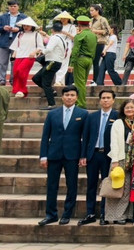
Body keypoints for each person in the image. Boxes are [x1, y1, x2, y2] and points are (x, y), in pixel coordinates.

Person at [38, 85, 88, 226]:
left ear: (76, 97)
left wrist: (83, 155)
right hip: (54, 154)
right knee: (52, 185)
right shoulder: (53, 114)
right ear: (62, 97)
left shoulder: (82, 114)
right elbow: (45, 136)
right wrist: (43, 156)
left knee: (71, 185)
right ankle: (51, 214)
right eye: (67, 95)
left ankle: (67, 214)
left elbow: (85, 137)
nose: (69, 97)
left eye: (72, 95)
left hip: (72, 155)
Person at [79, 89, 118, 226]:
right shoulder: (92, 116)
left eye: (108, 98)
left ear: (113, 100)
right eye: (103, 98)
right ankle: (90, 213)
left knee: (106, 185)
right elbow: (86, 137)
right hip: (93, 154)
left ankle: (104, 213)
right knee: (91, 184)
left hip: (108, 156)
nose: (106, 100)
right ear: (100, 100)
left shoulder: (117, 116)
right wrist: (83, 155)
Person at [106, 99, 134, 224]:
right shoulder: (118, 123)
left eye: (132, 107)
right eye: (127, 108)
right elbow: (114, 143)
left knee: (131, 189)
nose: (129, 110)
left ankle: (128, 214)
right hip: (120, 159)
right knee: (118, 188)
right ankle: (115, 216)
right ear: (123, 110)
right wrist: (114, 160)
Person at [32, 20, 68, 108]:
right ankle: (51, 92)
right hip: (55, 62)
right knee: (36, 78)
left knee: (46, 83)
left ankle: (51, 104)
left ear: (52, 30)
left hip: (52, 62)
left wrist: (40, 52)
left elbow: (49, 49)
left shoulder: (55, 38)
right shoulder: (62, 38)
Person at [9, 17, 44, 97]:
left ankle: (22, 90)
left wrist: (34, 52)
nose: (26, 27)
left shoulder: (36, 34)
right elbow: (16, 46)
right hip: (19, 56)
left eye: (28, 25)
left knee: (21, 71)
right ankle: (17, 90)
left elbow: (40, 47)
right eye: (24, 25)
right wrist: (13, 56)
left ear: (32, 26)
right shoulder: (20, 34)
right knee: (16, 72)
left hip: (29, 56)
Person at [68, 15, 96, 109]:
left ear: (79, 25)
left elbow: (75, 51)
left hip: (80, 59)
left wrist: (71, 64)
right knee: (83, 82)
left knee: (79, 83)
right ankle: (81, 102)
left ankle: (81, 104)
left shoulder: (79, 36)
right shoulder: (93, 35)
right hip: (90, 60)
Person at [0, 0, 25, 86]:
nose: (13, 8)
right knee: (2, 62)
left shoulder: (23, 17)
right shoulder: (3, 17)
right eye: (11, 6)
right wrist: (3, 28)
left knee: (14, 62)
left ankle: (13, 80)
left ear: (18, 7)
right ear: (8, 7)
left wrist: (19, 29)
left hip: (17, 41)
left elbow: (29, 28)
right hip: (4, 41)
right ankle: (2, 79)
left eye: (15, 6)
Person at [89, 4, 111, 85]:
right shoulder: (91, 20)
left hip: (100, 42)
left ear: (97, 10)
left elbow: (108, 31)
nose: (90, 12)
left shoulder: (102, 19)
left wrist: (95, 31)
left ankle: (96, 80)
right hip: (92, 42)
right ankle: (95, 79)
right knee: (93, 61)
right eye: (90, 10)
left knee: (95, 61)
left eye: (92, 10)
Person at [53, 11, 76, 86]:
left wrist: (67, 34)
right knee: (57, 62)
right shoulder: (57, 26)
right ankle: (60, 81)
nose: (63, 19)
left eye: (65, 18)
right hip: (57, 45)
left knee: (64, 63)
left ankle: (59, 80)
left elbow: (74, 38)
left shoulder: (71, 27)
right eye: (62, 18)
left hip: (67, 45)